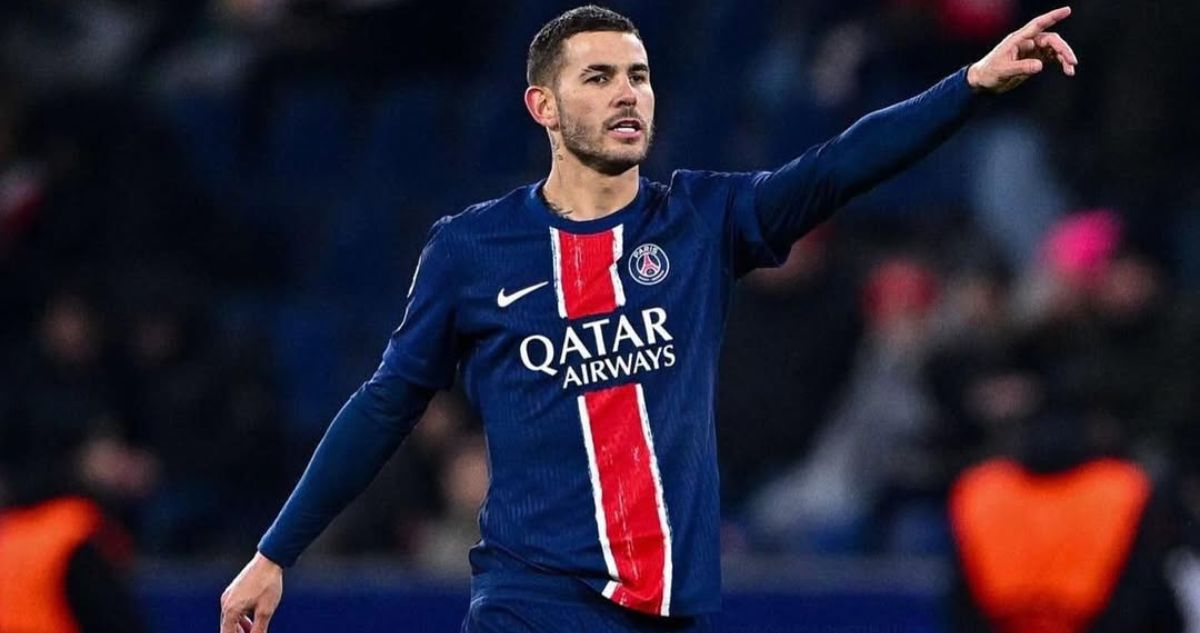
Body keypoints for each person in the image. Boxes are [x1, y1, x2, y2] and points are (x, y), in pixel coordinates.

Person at [219, 5, 1078, 632]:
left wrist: (969, 85)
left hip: (670, 607)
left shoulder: (701, 221)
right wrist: (275, 552)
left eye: (638, 75)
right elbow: (385, 403)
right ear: (543, 106)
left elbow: (835, 168)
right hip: (532, 603)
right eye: (598, 77)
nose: (627, 94)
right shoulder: (472, 249)